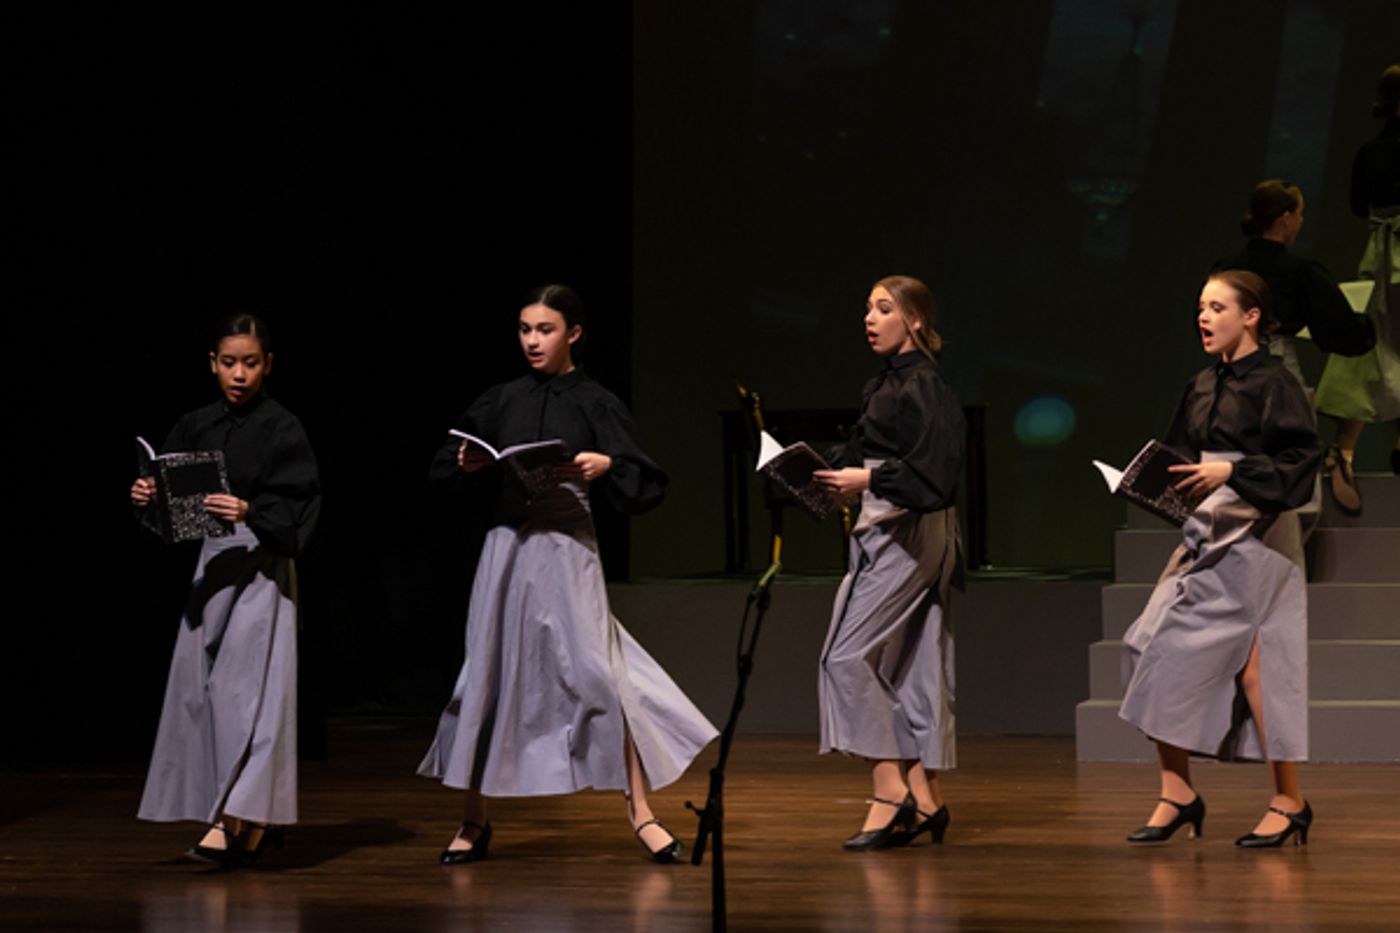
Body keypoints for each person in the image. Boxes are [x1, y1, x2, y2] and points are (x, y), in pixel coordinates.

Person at [419, 284, 717, 864]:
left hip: (567, 546)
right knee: (487, 674)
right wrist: (465, 461)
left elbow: (644, 477)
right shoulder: (501, 398)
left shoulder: (594, 401)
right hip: (506, 547)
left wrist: (608, 464)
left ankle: (642, 814)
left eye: (545, 330)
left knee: (601, 676)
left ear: (573, 333)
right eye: (526, 329)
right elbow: (444, 466)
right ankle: (473, 820)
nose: (533, 340)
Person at [1120, 270, 1319, 848]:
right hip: (1207, 529)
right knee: (1146, 642)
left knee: (1262, 672)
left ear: (1251, 315)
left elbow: (1300, 460)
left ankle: (1289, 801)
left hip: (1257, 531)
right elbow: (1180, 454)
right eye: (1200, 307)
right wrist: (1145, 481)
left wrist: (1231, 471)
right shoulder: (1202, 383)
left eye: (1216, 307)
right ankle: (1177, 790)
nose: (1203, 318)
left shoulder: (1275, 382)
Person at [132, 313, 321, 867]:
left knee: (246, 698)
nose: (239, 374)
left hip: (263, 562)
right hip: (212, 568)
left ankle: (233, 821)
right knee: (200, 694)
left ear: (268, 365)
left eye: (251, 363)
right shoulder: (196, 424)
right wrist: (148, 496)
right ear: (212, 364)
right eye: (229, 363)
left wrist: (249, 510)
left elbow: (301, 507)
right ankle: (241, 814)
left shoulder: (283, 427)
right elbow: (175, 513)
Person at [813, 275, 965, 851]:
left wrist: (868, 478)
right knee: (906, 668)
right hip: (894, 527)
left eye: (884, 309)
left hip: (907, 532)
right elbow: (868, 454)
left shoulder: (923, 386)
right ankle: (924, 799)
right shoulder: (886, 383)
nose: (870, 319)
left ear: (916, 320)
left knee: (844, 658)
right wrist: (829, 472)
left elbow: (936, 473)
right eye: (867, 309)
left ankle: (889, 791)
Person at [1315, 63, 1400, 499]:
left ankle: (1344, 452)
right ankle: (1344, 452)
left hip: (1381, 254)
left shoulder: (1370, 151)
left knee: (1375, 348)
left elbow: (1355, 206)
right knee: (1374, 349)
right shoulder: (1377, 152)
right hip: (1391, 255)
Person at [1214, 179, 1374, 386]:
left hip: (1230, 372)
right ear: (1286, 218)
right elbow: (1337, 329)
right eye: (1300, 213)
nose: (1301, 221)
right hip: (1275, 372)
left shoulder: (1226, 268)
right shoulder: (1299, 271)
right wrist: (1368, 327)